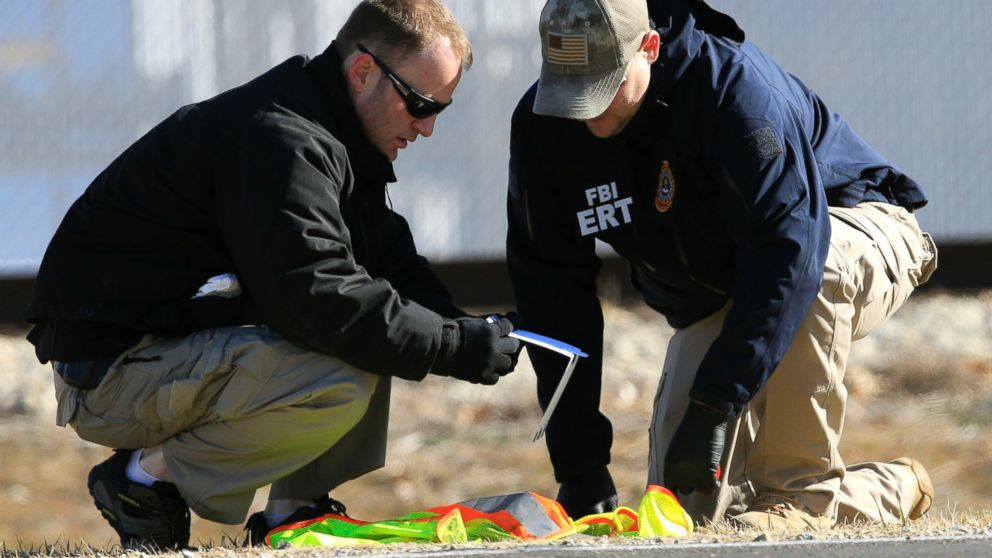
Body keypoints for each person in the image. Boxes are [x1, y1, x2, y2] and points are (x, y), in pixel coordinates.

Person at [26, 0, 521, 549]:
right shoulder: (281, 139)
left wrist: (467, 328)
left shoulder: (329, 131)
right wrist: (450, 344)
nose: (426, 127)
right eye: (420, 104)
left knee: (376, 327)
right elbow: (318, 297)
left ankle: (295, 513)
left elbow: (388, 264)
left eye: (439, 111)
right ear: (363, 72)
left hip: (161, 347)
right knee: (342, 365)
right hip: (109, 375)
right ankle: (143, 480)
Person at [507, 0, 938, 530]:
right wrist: (581, 465)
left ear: (649, 48)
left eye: (603, 88)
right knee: (685, 515)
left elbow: (790, 249)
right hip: (729, 285)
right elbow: (551, 291)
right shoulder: (545, 127)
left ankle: (797, 493)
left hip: (851, 226)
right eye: (570, 91)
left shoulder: (734, 93)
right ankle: (888, 490)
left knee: (817, 266)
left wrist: (714, 404)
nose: (587, 113)